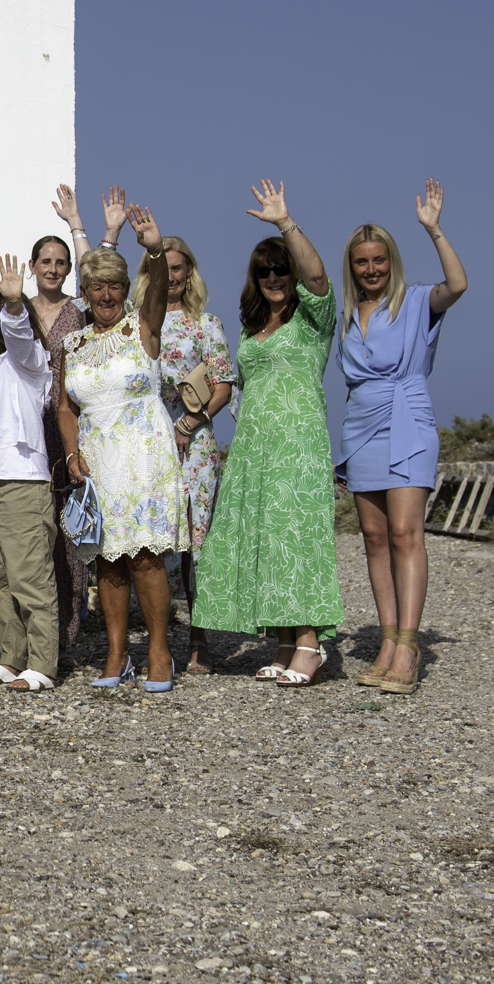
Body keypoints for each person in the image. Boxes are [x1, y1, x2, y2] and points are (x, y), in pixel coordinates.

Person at [192, 181, 342, 686]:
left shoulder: (314, 320)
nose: (274, 277)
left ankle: (309, 644)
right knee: (265, 538)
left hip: (298, 445)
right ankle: (281, 641)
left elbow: (319, 276)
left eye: (282, 269)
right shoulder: (252, 330)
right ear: (254, 279)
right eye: (265, 270)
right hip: (256, 445)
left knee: (296, 538)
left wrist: (284, 223)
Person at [338, 178, 467, 695]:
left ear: (391, 261)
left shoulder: (416, 302)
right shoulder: (350, 316)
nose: (371, 269)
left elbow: (457, 285)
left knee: (405, 534)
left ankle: (409, 647)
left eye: (379, 260)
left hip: (408, 422)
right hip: (361, 428)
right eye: (362, 262)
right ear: (353, 267)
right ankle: (387, 641)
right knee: (373, 539)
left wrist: (434, 230)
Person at [57, 207, 185, 693]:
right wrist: (71, 454)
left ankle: (158, 651)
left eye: (113, 285)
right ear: (85, 294)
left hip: (145, 456)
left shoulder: (142, 327)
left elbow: (155, 292)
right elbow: (65, 407)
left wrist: (153, 250)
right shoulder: (74, 342)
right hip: (97, 459)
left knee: (145, 556)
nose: (106, 295)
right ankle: (115, 654)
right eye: (96, 287)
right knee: (107, 558)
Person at [130, 232, 235, 673]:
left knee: (196, 541)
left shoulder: (205, 324)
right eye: (162, 269)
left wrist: (189, 423)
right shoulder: (137, 324)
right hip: (151, 443)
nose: (170, 277)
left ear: (189, 271)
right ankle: (161, 638)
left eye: (177, 268)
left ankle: (199, 637)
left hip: (194, 444)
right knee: (157, 538)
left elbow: (223, 387)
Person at [42, 183, 127, 670]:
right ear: (34, 269)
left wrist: (92, 228)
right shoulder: (22, 309)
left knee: (73, 533)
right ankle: (35, 635)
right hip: (34, 429)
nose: (54, 269)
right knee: (38, 534)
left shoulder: (78, 310)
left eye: (62, 262)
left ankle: (67, 635)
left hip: (71, 422)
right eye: (46, 262)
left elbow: (102, 276)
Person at [0, 259, 58, 693]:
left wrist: (15, 305)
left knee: (30, 578)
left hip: (23, 484)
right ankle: (11, 657)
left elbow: (22, 340)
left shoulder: (28, 364)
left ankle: (43, 663)